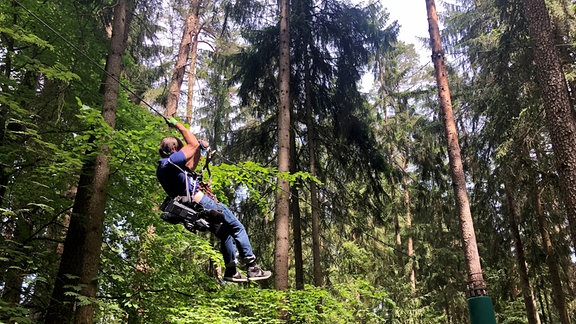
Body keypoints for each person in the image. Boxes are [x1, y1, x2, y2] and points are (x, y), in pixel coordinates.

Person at [156, 117, 272, 282]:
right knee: (237, 228)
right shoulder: (169, 162)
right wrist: (178, 125)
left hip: (195, 208)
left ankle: (231, 271)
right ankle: (252, 267)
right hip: (203, 203)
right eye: (181, 149)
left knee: (225, 234)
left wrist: (199, 151)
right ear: (174, 148)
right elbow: (193, 144)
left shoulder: (168, 168)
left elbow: (190, 166)